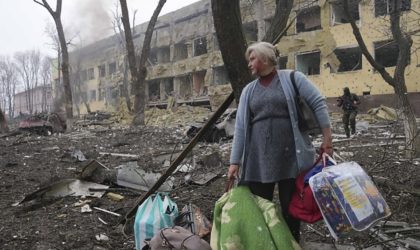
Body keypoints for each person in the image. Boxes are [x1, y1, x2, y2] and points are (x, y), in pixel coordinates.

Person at [227, 42, 333, 242]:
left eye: (252, 59)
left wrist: (328, 140)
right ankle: (265, 243)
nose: (249, 64)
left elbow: (318, 103)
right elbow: (240, 127)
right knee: (259, 209)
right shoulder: (249, 90)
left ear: (265, 58)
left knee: (290, 209)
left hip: (290, 157)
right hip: (259, 160)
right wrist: (235, 162)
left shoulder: (292, 78)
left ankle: (291, 244)